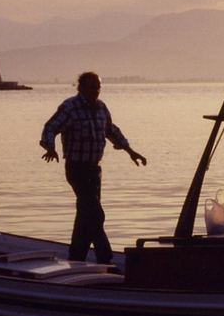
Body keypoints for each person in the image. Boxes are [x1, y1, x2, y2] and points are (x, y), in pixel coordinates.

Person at [40, 72, 146, 263]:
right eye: (91, 87)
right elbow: (50, 127)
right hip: (77, 169)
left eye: (98, 87)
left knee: (85, 214)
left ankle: (76, 257)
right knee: (96, 213)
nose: (95, 91)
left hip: (94, 170)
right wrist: (50, 147)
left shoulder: (101, 107)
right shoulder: (70, 107)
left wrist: (131, 151)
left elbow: (111, 131)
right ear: (81, 88)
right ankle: (105, 258)